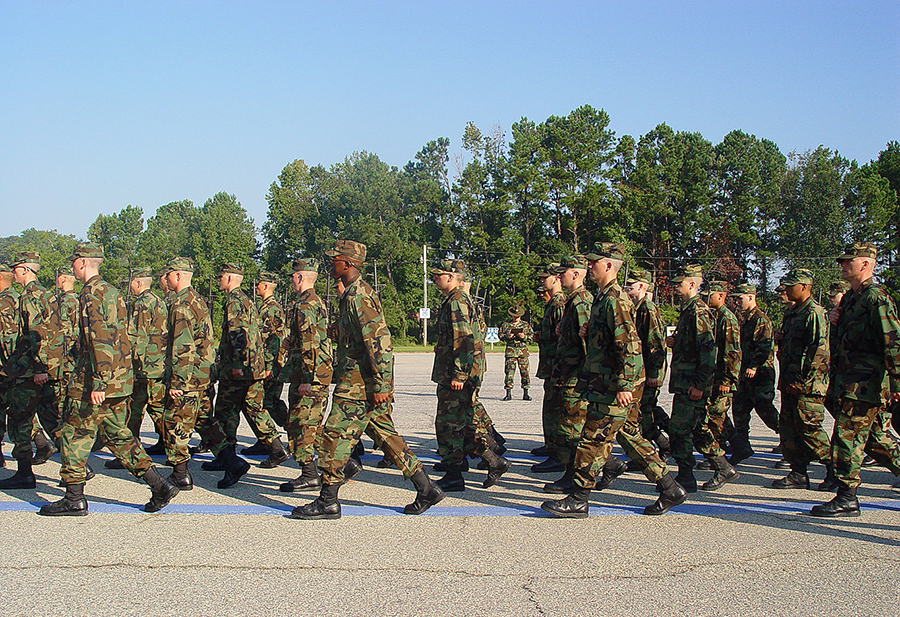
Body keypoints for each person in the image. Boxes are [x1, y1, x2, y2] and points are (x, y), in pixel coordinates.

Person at [290, 240, 444, 519]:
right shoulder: (351, 294)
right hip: (362, 382)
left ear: (347, 264)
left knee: (332, 437)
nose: (330, 264)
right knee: (385, 436)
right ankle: (426, 488)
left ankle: (327, 501)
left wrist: (382, 385)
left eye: (334, 259)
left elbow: (379, 342)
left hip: (359, 384)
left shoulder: (358, 296)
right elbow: (355, 337)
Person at [541, 243, 687, 518]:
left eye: (594, 262)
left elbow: (629, 345)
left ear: (608, 266)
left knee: (591, 440)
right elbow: (611, 339)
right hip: (608, 382)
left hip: (614, 385)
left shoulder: (615, 299)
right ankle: (670, 488)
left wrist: (624, 385)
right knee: (630, 437)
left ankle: (579, 499)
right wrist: (590, 332)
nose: (589, 267)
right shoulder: (603, 297)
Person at [39, 242, 179, 515]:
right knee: (117, 435)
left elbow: (100, 338)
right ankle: (159, 485)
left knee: (73, 434)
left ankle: (73, 497)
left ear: (82, 263)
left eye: (74, 262)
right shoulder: (113, 292)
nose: (73, 267)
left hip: (95, 381)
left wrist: (99, 381)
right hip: (120, 379)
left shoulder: (91, 294)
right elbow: (122, 337)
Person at [811, 242, 900, 516]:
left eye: (849, 260)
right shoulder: (851, 298)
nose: (843, 265)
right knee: (873, 440)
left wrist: (897, 385)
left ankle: (847, 496)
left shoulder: (877, 298)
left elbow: (894, 344)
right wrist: (836, 322)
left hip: (867, 383)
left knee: (846, 438)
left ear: (865, 264)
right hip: (849, 381)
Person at [163, 257, 251, 490]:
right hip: (202, 374)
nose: (166, 278)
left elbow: (183, 346)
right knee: (204, 421)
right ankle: (231, 462)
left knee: (177, 421)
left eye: (169, 273)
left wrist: (177, 381)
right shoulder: (197, 299)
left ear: (179, 275)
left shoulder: (182, 304)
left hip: (189, 377)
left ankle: (180, 473)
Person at [431, 259, 509, 492]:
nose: (435, 278)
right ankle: (492, 460)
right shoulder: (457, 299)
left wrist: (459, 374)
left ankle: (456, 474)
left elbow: (463, 339)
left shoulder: (456, 301)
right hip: (459, 371)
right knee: (461, 423)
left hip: (458, 374)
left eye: (439, 275)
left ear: (452, 277)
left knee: (448, 425)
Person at [666, 264, 735, 493]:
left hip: (692, 384)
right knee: (696, 428)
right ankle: (722, 466)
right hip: (685, 382)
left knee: (678, 430)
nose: (676, 287)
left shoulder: (699, 312)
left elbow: (708, 352)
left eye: (680, 283)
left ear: (693, 284)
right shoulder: (688, 310)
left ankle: (686, 475)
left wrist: (700, 385)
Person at [213, 263, 288, 469]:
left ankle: (226, 457)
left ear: (229, 278)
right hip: (252, 365)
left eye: (220, 276)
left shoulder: (235, 301)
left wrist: (237, 363)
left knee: (225, 410)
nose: (218, 280)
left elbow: (238, 334)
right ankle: (276, 448)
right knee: (254, 407)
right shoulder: (245, 300)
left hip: (240, 367)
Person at [0, 252, 60, 489]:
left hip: (29, 369)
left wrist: (38, 367)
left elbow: (36, 334)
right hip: (44, 367)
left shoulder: (29, 295)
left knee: (20, 419)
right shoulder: (46, 293)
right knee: (50, 418)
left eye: (16, 268)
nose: (14, 272)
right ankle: (77, 467)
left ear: (25, 270)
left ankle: (25, 473)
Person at [770, 269, 832, 490]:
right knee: (788, 428)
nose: (786, 289)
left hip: (807, 384)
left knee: (810, 428)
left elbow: (818, 351)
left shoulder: (814, 313)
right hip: (789, 381)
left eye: (791, 285)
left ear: (805, 286)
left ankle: (834, 470)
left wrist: (803, 380)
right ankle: (798, 472)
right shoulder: (793, 313)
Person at [278, 258, 332, 492]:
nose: (291, 280)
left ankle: (310, 474)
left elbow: (311, 343)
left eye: (293, 276)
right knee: (311, 424)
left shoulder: (305, 304)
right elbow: (313, 337)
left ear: (300, 277)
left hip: (310, 375)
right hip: (316, 371)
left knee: (301, 424)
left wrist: (306, 379)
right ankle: (345, 463)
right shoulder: (314, 301)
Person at [542, 255, 592, 492]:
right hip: (567, 373)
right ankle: (574, 471)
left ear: (576, 274)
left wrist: (584, 378)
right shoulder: (574, 300)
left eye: (564, 272)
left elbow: (586, 346)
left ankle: (574, 476)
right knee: (568, 426)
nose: (559, 276)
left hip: (575, 376)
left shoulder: (581, 302)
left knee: (572, 429)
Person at [693, 281, 741, 488]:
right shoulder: (714, 316)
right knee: (713, 419)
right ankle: (736, 451)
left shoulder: (727, 319)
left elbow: (732, 352)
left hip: (722, 380)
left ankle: (723, 466)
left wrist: (727, 380)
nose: (705, 298)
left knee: (713, 420)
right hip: (713, 379)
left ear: (720, 296)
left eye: (709, 295)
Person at [118, 267, 168, 463]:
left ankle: (130, 451)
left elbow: (137, 337)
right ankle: (169, 443)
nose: (129, 286)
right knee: (157, 407)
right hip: (157, 365)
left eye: (131, 282)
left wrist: (130, 365)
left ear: (138, 283)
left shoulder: (142, 304)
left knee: (133, 409)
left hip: (144, 367)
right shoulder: (159, 301)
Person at [728, 283, 778, 465]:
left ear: (751, 297)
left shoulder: (760, 319)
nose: (737, 302)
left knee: (766, 411)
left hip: (760, 374)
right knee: (739, 410)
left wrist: (754, 366)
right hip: (745, 374)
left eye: (740, 298)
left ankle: (789, 440)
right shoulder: (747, 319)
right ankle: (742, 446)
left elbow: (764, 345)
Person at [625, 269, 670, 460]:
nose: (627, 289)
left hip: (650, 370)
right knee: (646, 410)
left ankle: (663, 445)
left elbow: (655, 344)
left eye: (631, 286)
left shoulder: (647, 309)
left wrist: (653, 373)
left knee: (644, 412)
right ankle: (665, 442)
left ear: (642, 287)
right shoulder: (638, 307)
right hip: (644, 369)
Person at [242, 271, 288, 456]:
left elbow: (273, 340)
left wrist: (269, 366)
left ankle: (294, 433)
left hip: (270, 365)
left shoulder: (271, 309)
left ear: (267, 285)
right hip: (268, 363)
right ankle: (265, 440)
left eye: (258, 284)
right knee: (267, 403)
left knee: (265, 403)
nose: (256, 287)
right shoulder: (265, 307)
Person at [531, 263, 566, 468]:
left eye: (546, 278)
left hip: (557, 365)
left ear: (556, 279)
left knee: (555, 408)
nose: (542, 281)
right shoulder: (552, 303)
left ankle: (557, 452)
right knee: (550, 406)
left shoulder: (560, 303)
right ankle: (551, 445)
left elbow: (563, 337)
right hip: (551, 364)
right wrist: (541, 335)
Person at [0, 264, 21, 469]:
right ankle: (41, 444)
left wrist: (9, 365)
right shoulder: (18, 297)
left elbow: (7, 336)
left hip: (7, 365)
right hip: (17, 364)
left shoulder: (4, 301)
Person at [499, 306, 533, 401]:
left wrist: (524, 336)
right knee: (509, 373)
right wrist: (508, 336)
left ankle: (526, 393)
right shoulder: (506, 325)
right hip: (511, 352)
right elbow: (500, 336)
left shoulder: (525, 325)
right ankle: (508, 393)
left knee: (525, 373)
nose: (516, 318)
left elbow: (531, 336)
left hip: (522, 352)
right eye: (514, 316)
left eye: (517, 316)